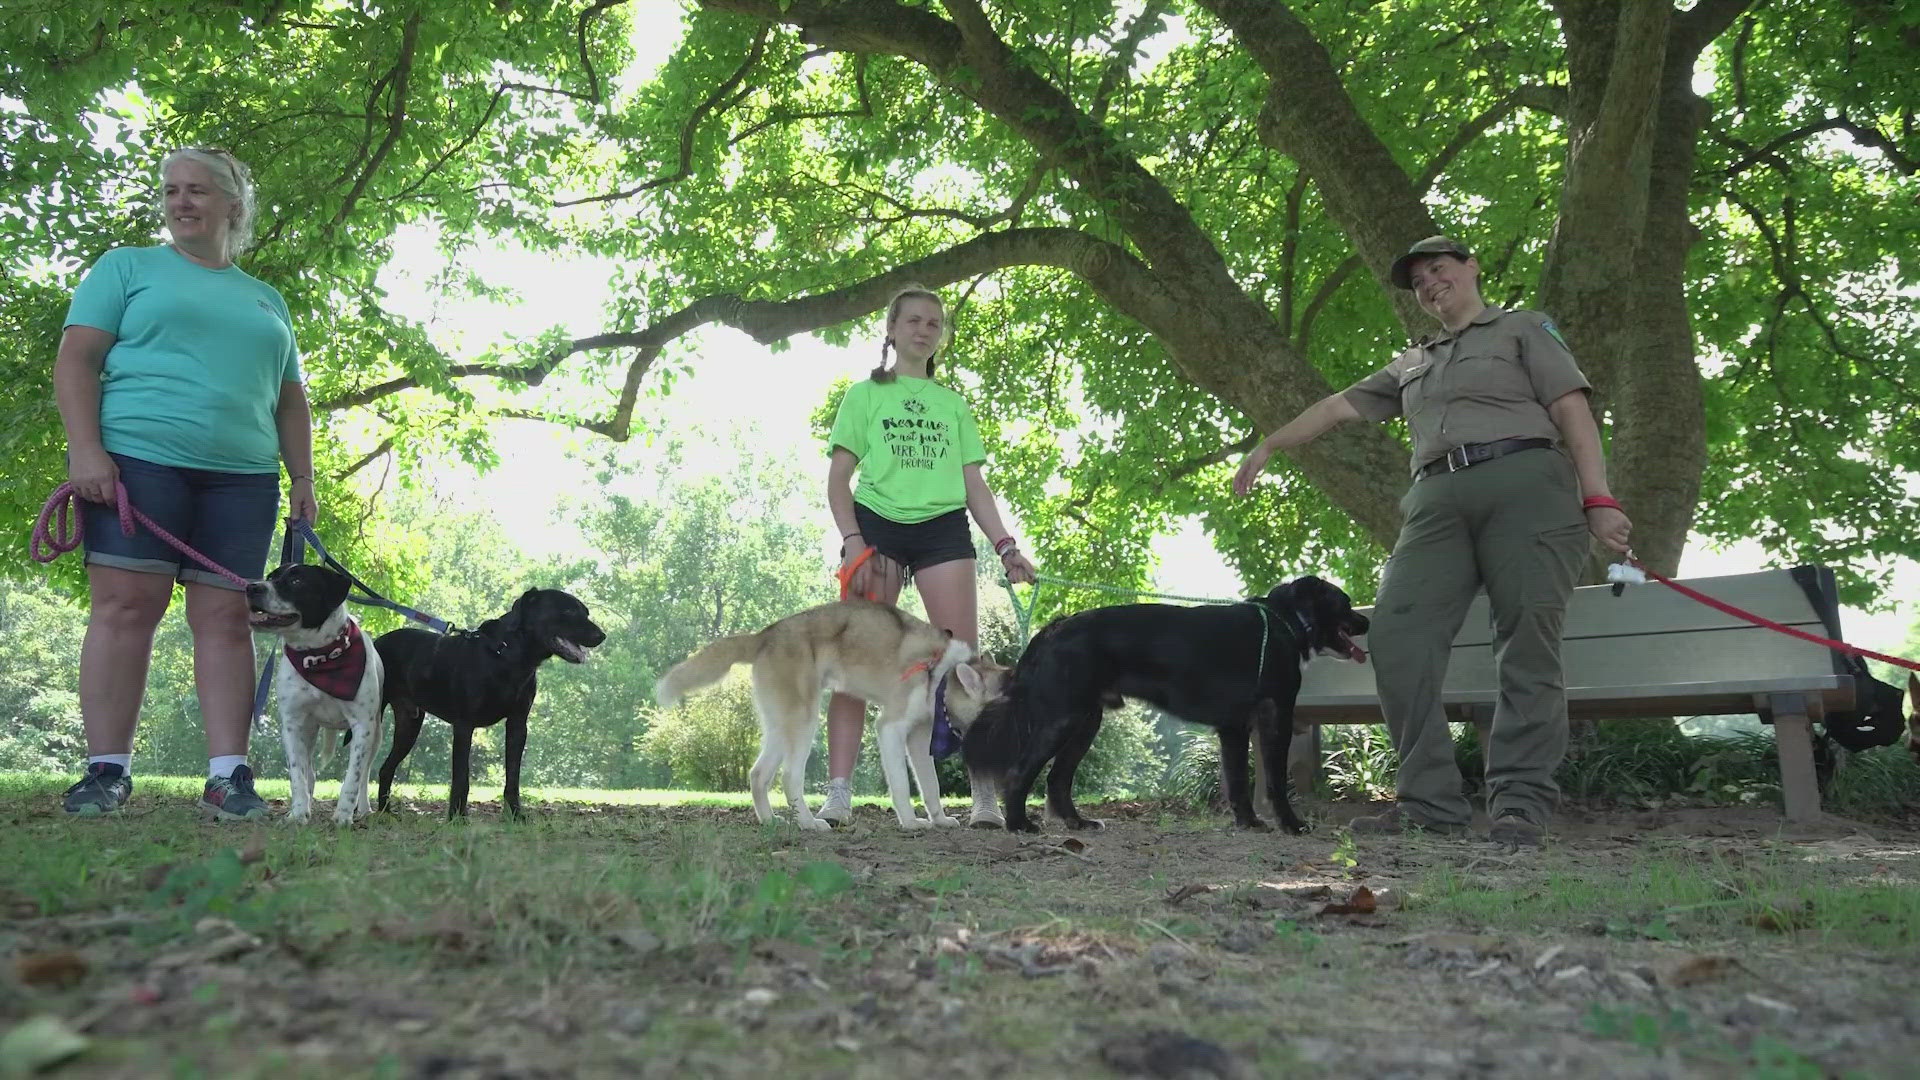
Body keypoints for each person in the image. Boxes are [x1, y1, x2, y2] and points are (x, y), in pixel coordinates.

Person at [1233, 235, 1631, 846]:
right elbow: (1336, 408)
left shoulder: (1524, 328)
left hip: (1528, 483)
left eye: (1438, 270)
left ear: (1471, 269)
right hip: (1436, 498)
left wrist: (1598, 499)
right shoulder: (1412, 363)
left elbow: (1573, 410)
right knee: (1396, 635)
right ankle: (1430, 804)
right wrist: (1269, 444)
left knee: (1526, 637)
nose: (1428, 285)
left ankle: (1520, 804)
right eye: (1418, 282)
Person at [52, 147, 316, 820]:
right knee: (125, 609)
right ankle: (106, 771)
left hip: (243, 480)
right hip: (138, 463)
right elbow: (78, 359)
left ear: (234, 205)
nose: (181, 202)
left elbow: (289, 402)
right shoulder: (127, 268)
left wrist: (304, 482)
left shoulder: (268, 299)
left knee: (227, 617)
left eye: (197, 190)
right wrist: (86, 451)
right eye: (171, 191)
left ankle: (230, 777)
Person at [822, 285, 1037, 825]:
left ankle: (984, 798)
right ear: (891, 330)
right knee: (852, 664)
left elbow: (974, 485)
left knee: (963, 665)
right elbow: (838, 480)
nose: (923, 329)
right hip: (876, 529)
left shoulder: (952, 405)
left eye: (933, 323)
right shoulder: (864, 394)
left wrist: (1006, 546)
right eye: (913, 320)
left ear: (940, 336)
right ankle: (839, 793)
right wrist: (853, 541)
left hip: (942, 529)